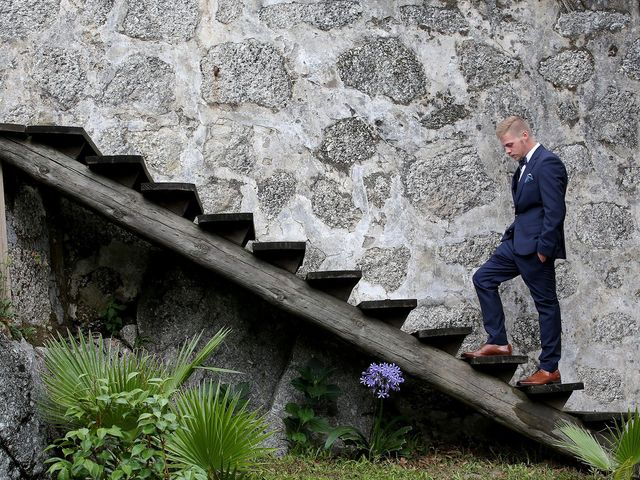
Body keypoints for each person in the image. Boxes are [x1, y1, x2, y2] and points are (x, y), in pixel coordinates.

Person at [462, 116, 568, 386]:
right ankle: (497, 341)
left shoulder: (548, 163)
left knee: (545, 304)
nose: (507, 151)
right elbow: (526, 209)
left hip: (535, 248)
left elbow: (555, 210)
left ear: (525, 135)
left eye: (509, 145)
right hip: (515, 243)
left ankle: (549, 368)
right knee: (483, 278)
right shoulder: (524, 166)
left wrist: (544, 248)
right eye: (504, 147)